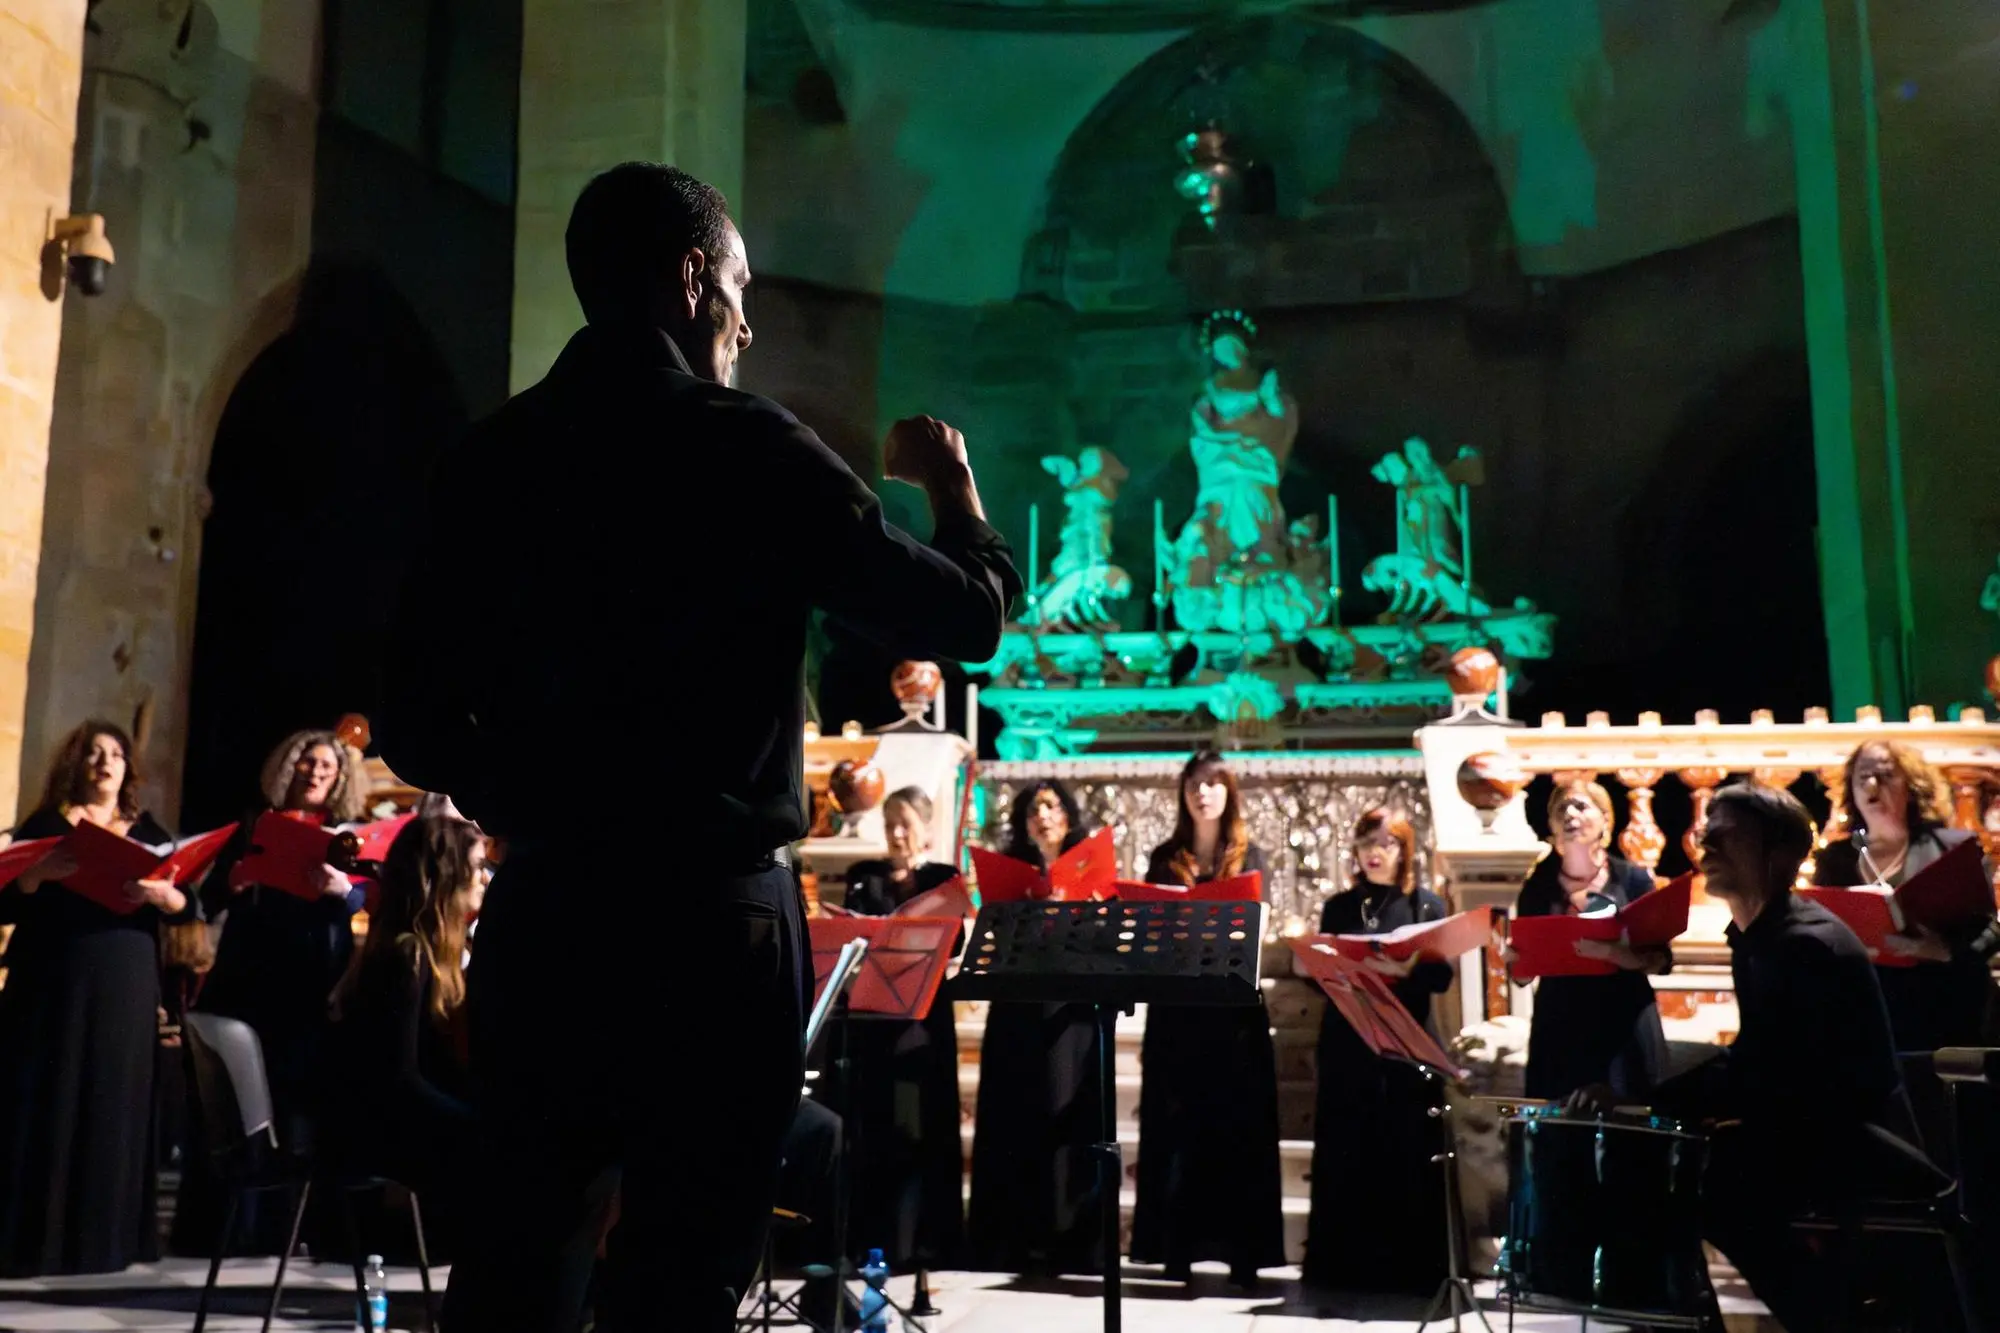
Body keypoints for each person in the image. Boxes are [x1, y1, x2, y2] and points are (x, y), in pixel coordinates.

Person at [378, 162, 1017, 1333]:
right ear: (688, 281)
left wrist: (531, 792)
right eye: (737, 285)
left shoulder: (490, 458)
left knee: (519, 1257)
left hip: (549, 912)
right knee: (682, 1269)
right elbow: (963, 616)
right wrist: (955, 487)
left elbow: (413, 720)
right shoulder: (747, 446)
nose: (748, 315)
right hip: (708, 930)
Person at [1585, 782, 1936, 1329]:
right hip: (1809, 1130)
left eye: (1726, 834)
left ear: (1776, 853)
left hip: (1859, 1142)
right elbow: (1762, 1070)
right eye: (1708, 833)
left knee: (1704, 1179)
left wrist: (1643, 1101)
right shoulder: (1761, 935)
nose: (1706, 845)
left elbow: (1769, 1074)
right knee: (1665, 1163)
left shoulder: (1803, 943)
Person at [0, 722, 193, 1276]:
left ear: (128, 769)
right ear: (76, 763)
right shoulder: (45, 824)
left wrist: (166, 895)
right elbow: (8, 897)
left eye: (116, 754)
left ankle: (105, 1239)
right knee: (49, 1094)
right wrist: (36, 876)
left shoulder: (150, 831)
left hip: (125, 981)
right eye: (93, 753)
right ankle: (34, 1240)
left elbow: (188, 902)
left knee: (115, 1097)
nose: (105, 762)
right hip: (52, 979)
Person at [1129, 751, 1285, 1287]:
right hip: (1177, 1012)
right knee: (1177, 1131)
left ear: (1228, 794)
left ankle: (1245, 1255)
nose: (1204, 794)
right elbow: (1146, 934)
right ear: (1184, 794)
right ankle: (1177, 1250)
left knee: (1237, 1132)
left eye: (1214, 785)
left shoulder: (1252, 857)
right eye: (1195, 784)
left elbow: (1260, 932)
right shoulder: (1163, 857)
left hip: (1234, 1013)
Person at [321, 796, 488, 1254]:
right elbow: (398, 1080)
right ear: (445, 875)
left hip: (395, 1116)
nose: (484, 878)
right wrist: (477, 1123)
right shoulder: (406, 955)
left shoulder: (425, 951)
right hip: (378, 1130)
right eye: (476, 866)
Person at [1303, 807, 1454, 1294]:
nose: (1375, 851)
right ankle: (1342, 1268)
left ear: (1405, 850)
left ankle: (1408, 1271)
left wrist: (1401, 971)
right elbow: (1323, 974)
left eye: (1387, 842)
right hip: (1349, 1041)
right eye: (1367, 839)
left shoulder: (1424, 906)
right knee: (1349, 1148)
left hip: (1405, 1045)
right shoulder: (1340, 907)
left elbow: (1440, 977)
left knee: (1405, 1148)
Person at [965, 779, 1106, 1275]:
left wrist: (1090, 916)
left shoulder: (1092, 871)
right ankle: (1012, 1241)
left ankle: (1071, 1242)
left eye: (1051, 806)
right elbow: (993, 947)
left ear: (1069, 815)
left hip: (1070, 1014)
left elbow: (1109, 944)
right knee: (1014, 1117)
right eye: (1032, 809)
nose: (1042, 816)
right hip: (1018, 1011)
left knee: (1067, 1119)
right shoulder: (1012, 876)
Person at [830, 787, 965, 1269]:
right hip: (875, 1018)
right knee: (876, 1130)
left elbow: (955, 943)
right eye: (890, 824)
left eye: (906, 823)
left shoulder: (943, 880)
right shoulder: (864, 877)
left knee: (922, 1128)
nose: (898, 833)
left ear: (927, 828)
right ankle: (874, 1239)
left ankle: (926, 1243)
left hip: (923, 1018)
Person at [1813, 740, 1998, 1052]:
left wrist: (1946, 952)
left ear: (1912, 785)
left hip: (1945, 1012)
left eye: (1885, 775)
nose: (1872, 784)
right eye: (1862, 777)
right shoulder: (1836, 859)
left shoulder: (1952, 848)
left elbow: (1992, 930)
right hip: (1867, 1015)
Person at [1511, 781, 1670, 1101]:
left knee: (1629, 1134)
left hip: (1623, 1019)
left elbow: (1662, 959)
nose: (1570, 814)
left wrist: (1619, 955)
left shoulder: (1633, 879)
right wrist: (1518, 962)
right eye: (1560, 810)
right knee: (1562, 1134)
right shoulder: (1538, 885)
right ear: (1553, 826)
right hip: (1560, 1022)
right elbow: (1522, 972)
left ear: (1605, 820)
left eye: (1581, 806)